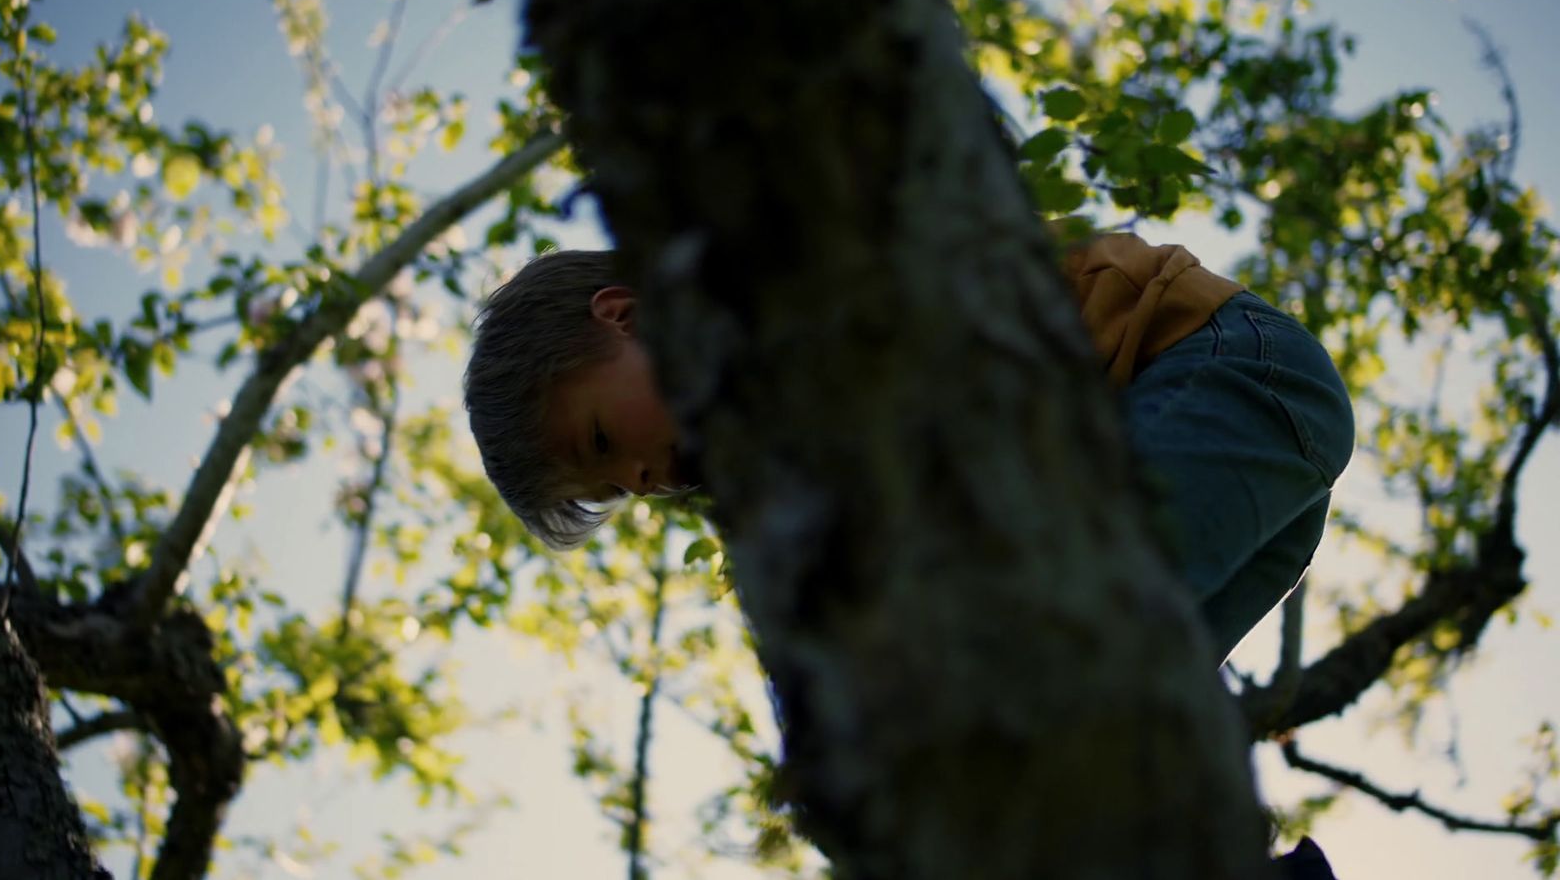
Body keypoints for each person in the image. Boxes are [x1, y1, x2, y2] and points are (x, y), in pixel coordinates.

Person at [463, 224, 1355, 664]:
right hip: (1231, 460)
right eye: (617, 485)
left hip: (1213, 372)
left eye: (604, 436)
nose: (642, 475)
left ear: (627, 315)